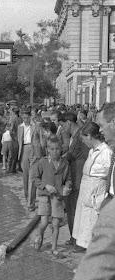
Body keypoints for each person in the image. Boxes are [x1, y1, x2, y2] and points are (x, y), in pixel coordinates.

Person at [73, 102, 115, 280]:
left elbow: (107, 177)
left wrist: (103, 201)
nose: (101, 131)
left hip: (103, 203)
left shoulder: (107, 152)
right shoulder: (96, 151)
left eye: (103, 125)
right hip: (92, 199)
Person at [72, 122, 112, 252]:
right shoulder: (91, 152)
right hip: (85, 197)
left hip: (96, 200)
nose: (83, 142)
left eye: (84, 139)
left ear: (89, 136)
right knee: (84, 232)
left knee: (93, 234)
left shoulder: (106, 152)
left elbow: (110, 177)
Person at [33, 137, 72, 255]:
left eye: (57, 149)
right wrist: (45, 186)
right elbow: (35, 178)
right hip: (45, 196)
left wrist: (68, 186)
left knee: (56, 224)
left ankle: (54, 248)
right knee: (44, 222)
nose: (55, 152)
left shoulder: (65, 163)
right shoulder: (42, 162)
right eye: (52, 149)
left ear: (61, 149)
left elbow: (68, 178)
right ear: (47, 150)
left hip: (58, 196)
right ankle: (40, 234)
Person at [60, 112, 89, 246]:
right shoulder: (76, 136)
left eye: (63, 125)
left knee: (75, 210)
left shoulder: (80, 137)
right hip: (75, 177)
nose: (62, 129)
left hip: (78, 178)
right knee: (72, 209)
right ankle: (74, 238)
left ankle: (77, 239)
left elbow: (82, 157)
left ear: (68, 123)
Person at [18, 107, 45, 211]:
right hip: (24, 150)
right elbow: (19, 141)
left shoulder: (36, 125)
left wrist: (43, 154)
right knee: (25, 177)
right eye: (23, 118)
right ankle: (27, 198)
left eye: (26, 117)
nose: (25, 119)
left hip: (35, 150)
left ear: (30, 116)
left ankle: (31, 203)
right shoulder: (20, 127)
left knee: (32, 177)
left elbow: (42, 139)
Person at [9, 107, 22, 173]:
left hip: (15, 138)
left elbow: (11, 130)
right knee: (19, 154)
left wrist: (13, 136)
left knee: (13, 154)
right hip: (20, 137)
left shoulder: (13, 119)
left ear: (13, 112)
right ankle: (19, 167)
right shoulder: (21, 119)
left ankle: (12, 169)